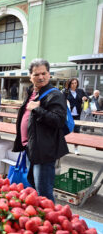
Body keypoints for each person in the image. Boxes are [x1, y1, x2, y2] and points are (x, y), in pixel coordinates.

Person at [13, 58, 69, 202]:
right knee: (34, 187)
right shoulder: (33, 91)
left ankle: (51, 221)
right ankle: (41, 219)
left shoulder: (54, 94)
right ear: (30, 76)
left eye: (43, 73)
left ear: (49, 74)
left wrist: (37, 109)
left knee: (44, 192)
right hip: (31, 147)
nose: (41, 77)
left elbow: (58, 120)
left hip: (44, 150)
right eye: (36, 74)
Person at [62, 78, 88, 155]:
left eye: (75, 83)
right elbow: (61, 100)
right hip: (68, 114)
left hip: (77, 114)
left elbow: (87, 98)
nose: (74, 85)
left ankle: (76, 148)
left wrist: (85, 99)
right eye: (72, 83)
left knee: (76, 132)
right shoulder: (65, 91)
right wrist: (65, 101)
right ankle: (64, 148)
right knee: (66, 131)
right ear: (69, 84)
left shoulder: (80, 91)